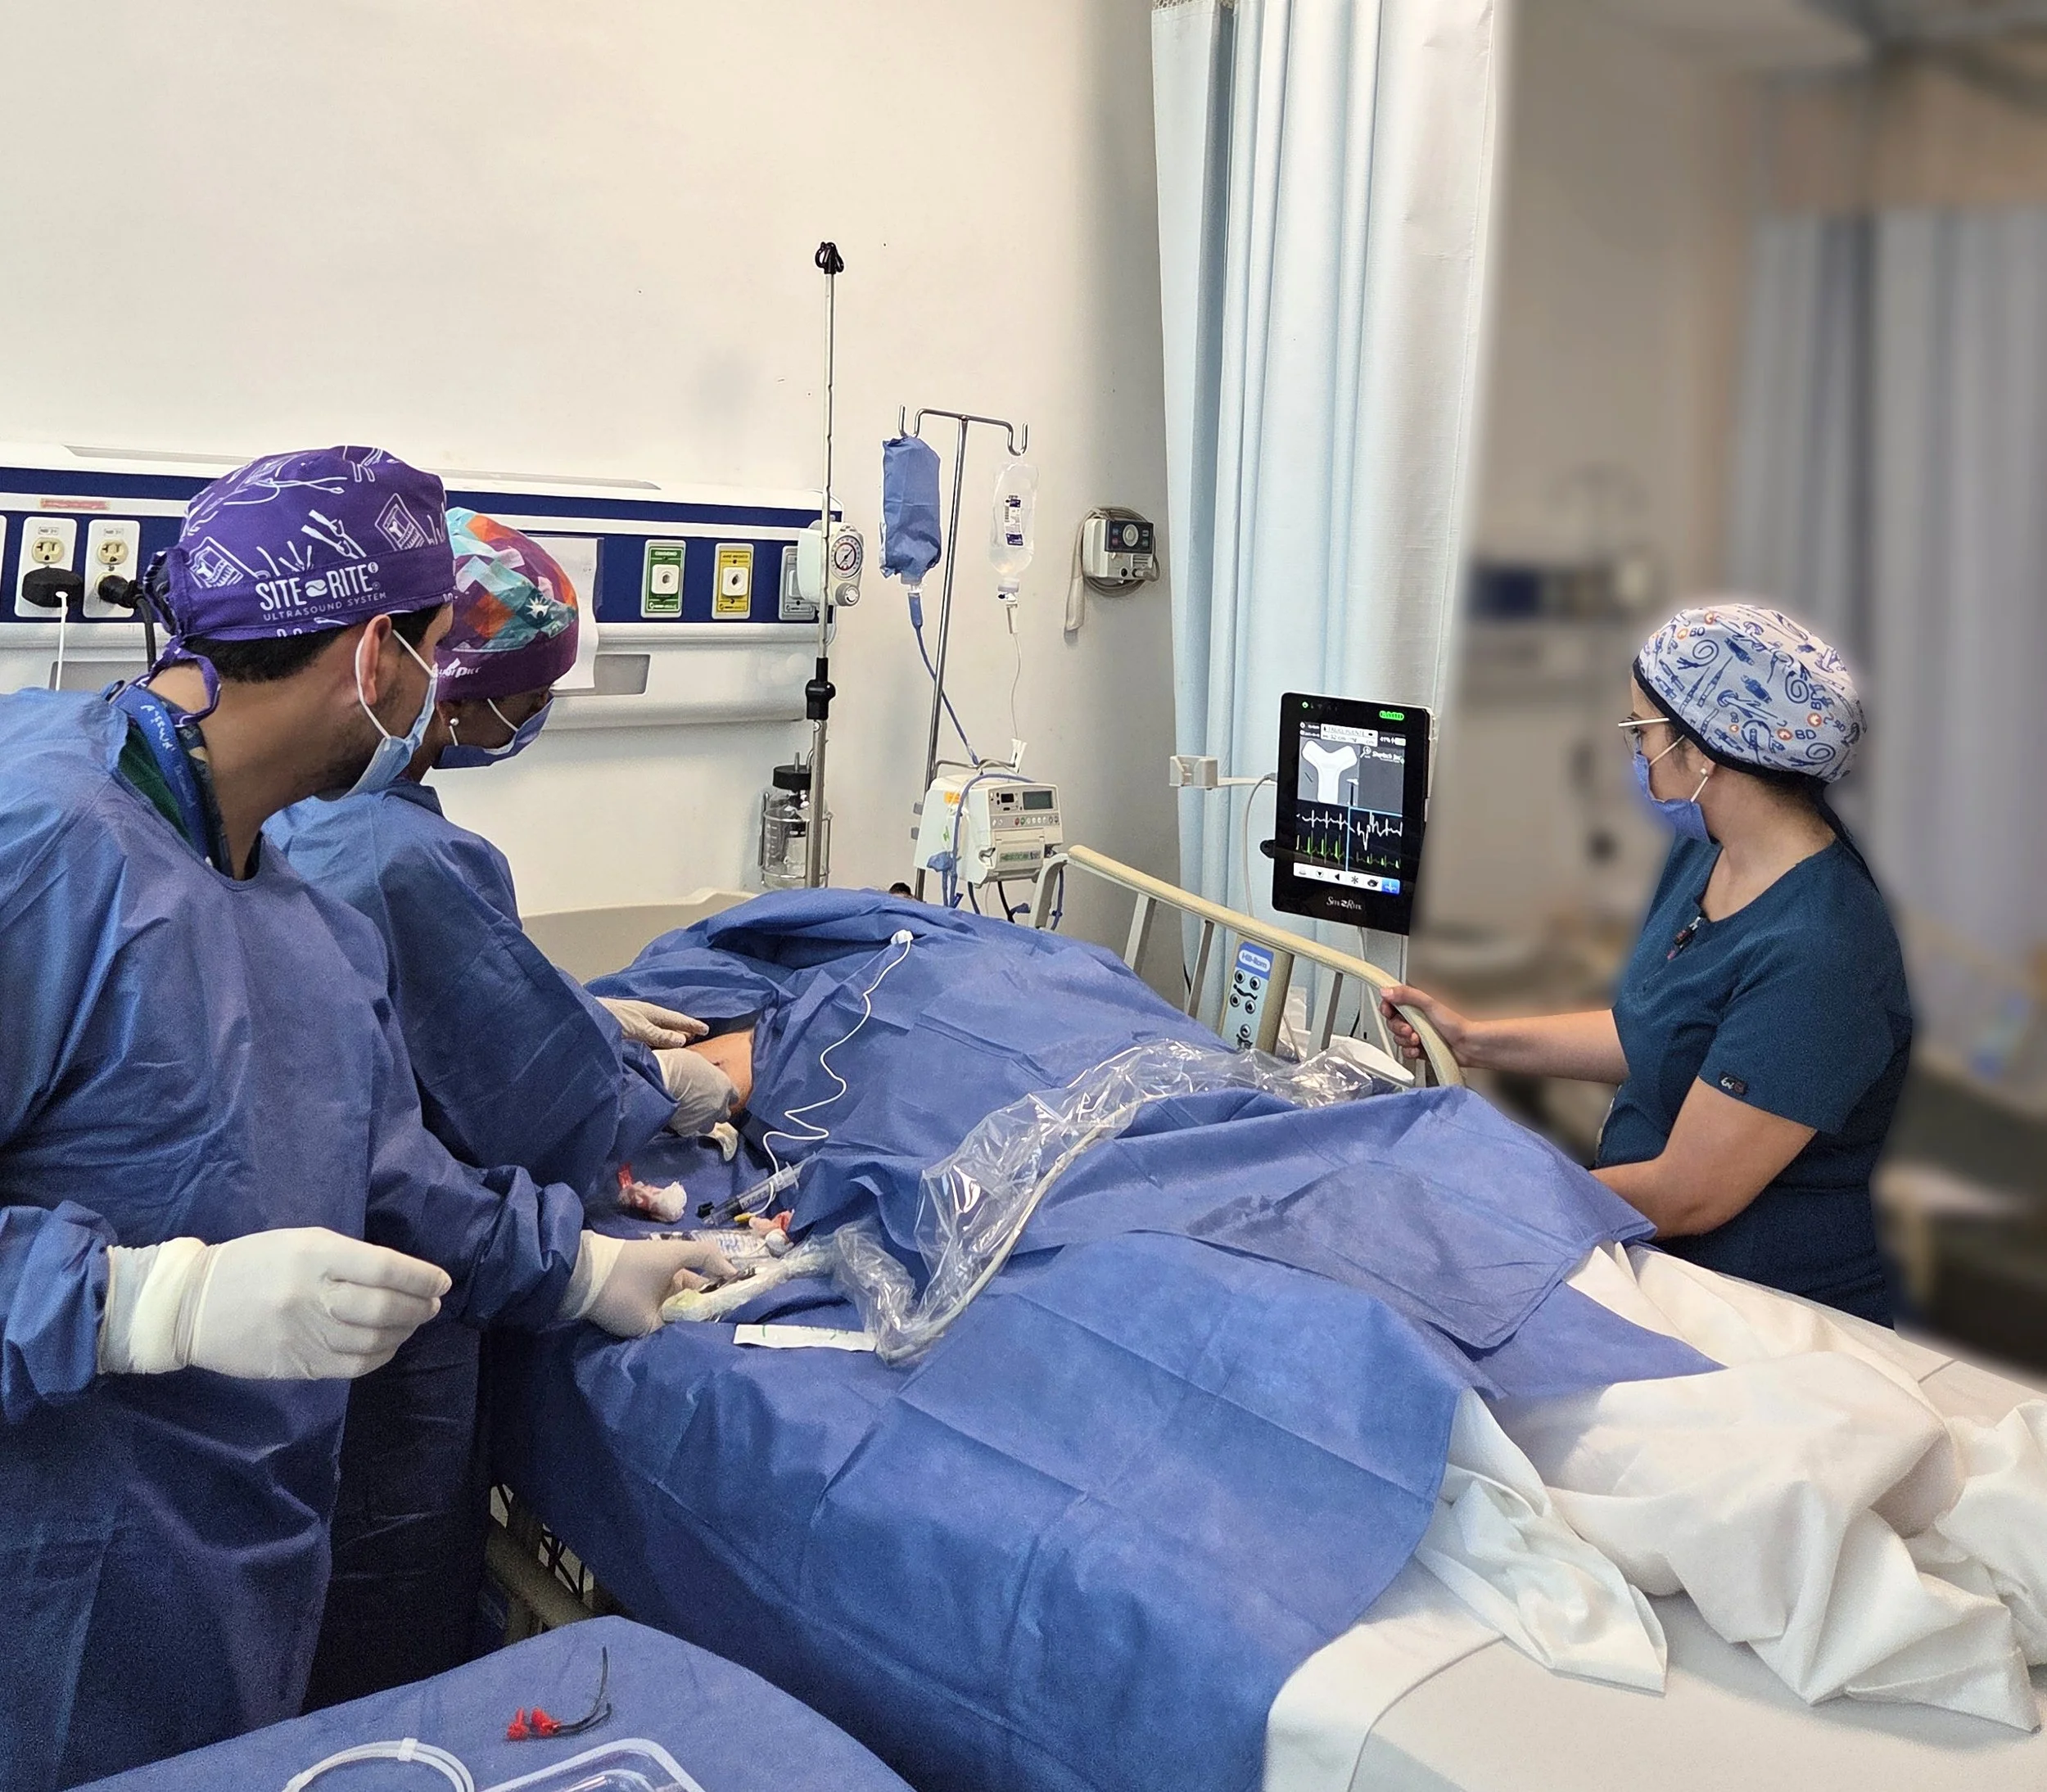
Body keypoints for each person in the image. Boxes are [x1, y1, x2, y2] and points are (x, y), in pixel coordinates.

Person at [0, 446, 730, 1792]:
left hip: (226, 1586)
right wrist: (135, 1303)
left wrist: (583, 1266)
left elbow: (385, 1162)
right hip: (44, 1586)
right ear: (373, 656)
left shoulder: (294, 917)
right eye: (432, 650)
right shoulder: (38, 841)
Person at [268, 508, 749, 1704]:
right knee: (380, 1628)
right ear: (451, 684)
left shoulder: (287, 804)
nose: (528, 721)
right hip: (389, 1311)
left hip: (290, 1275)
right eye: (526, 695)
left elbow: (438, 1008)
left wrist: (586, 1011)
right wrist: (668, 1088)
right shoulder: (399, 858)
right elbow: (528, 1094)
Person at [1384, 603, 1910, 1325]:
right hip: (1649, 1247)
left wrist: (1506, 1197)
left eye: (1641, 730)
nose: (1634, 750)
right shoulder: (1711, 848)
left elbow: (1690, 1192)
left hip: (1757, 1305)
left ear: (1703, 753)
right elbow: (1658, 1029)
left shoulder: (1819, 953)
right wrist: (1474, 1039)